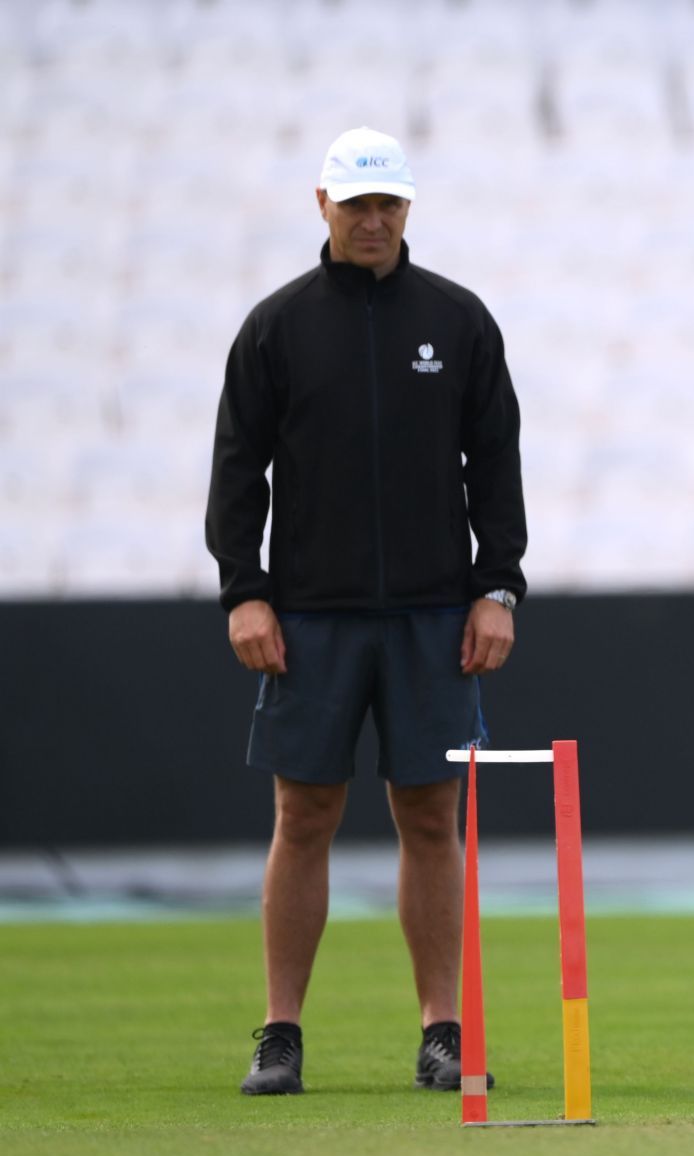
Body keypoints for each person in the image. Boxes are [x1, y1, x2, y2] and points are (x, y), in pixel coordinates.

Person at [205, 127, 527, 1093]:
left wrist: (497, 585)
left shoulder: (460, 320)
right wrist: (244, 589)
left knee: (431, 816)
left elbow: (498, 466)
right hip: (310, 615)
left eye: (388, 204)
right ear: (323, 206)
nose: (374, 220)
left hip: (436, 614)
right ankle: (280, 1033)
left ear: (409, 207)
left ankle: (443, 1032)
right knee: (302, 814)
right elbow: (236, 469)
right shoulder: (277, 326)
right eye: (357, 204)